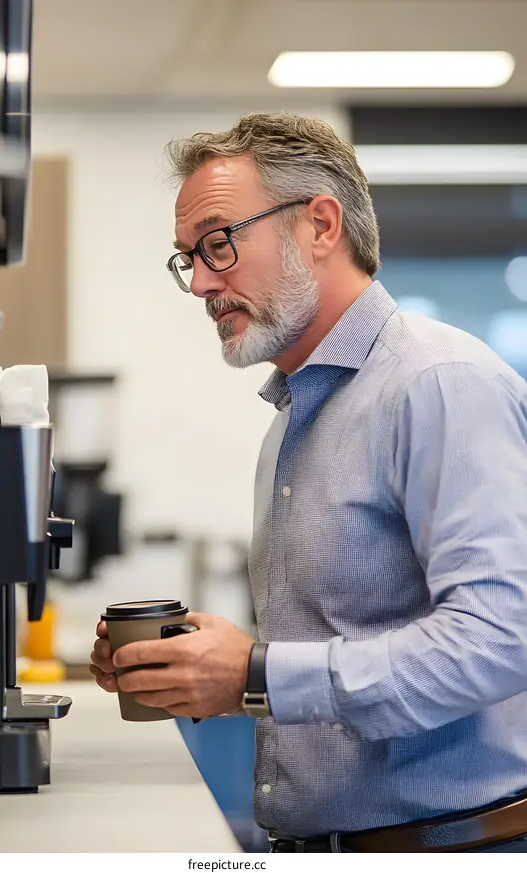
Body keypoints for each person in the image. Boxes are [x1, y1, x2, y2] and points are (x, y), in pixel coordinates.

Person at [89, 111, 527, 853]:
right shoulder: (297, 412)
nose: (199, 282)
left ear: (320, 225)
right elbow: (340, 640)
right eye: (187, 257)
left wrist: (257, 673)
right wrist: (199, 667)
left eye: (219, 243)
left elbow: (500, 639)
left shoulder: (438, 383)